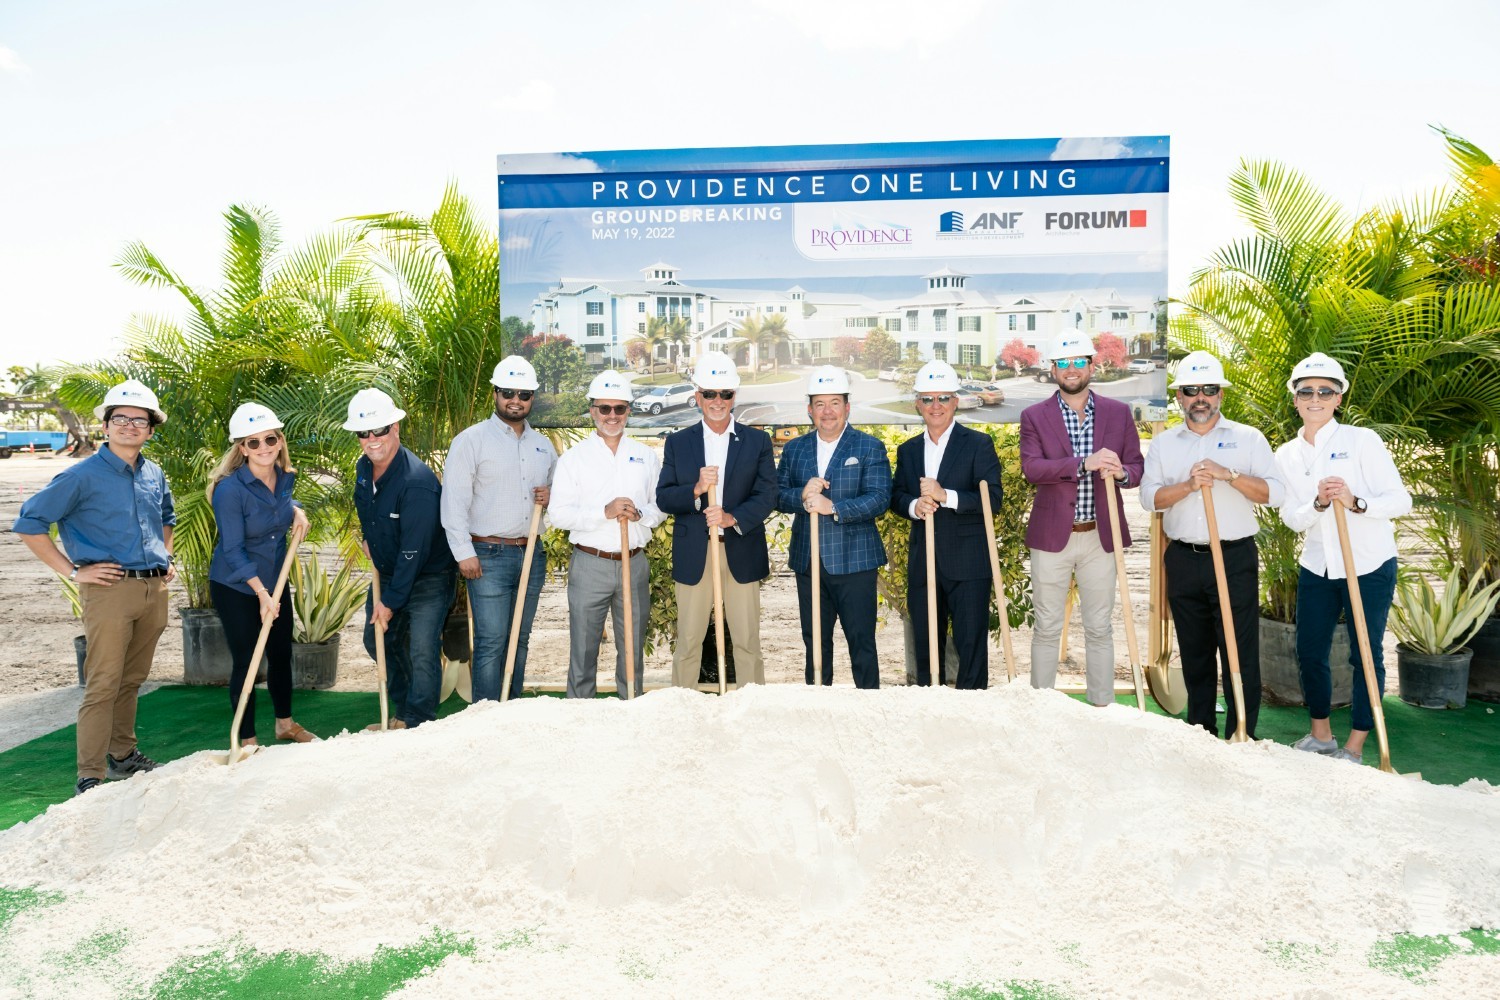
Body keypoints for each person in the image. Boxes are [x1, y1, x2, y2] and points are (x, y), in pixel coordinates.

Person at [13, 379, 175, 795]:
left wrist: (166, 555)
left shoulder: (153, 472)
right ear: (105, 426)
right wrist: (72, 571)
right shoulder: (80, 476)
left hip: (153, 589)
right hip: (109, 591)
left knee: (133, 678)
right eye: (120, 418)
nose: (130, 426)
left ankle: (123, 756)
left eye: (139, 420)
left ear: (151, 430)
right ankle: (90, 774)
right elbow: (29, 523)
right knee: (103, 681)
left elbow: (167, 518)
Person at [1139, 351, 1285, 739]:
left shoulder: (1248, 439)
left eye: (1208, 389)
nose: (1200, 397)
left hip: (1234, 555)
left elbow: (1276, 493)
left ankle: (1243, 733)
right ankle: (1201, 732)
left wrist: (1229, 475)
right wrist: (1188, 487)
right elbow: (1149, 498)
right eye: (1191, 390)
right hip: (1185, 558)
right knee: (1195, 651)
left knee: (1238, 649)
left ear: (1221, 395)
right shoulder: (1165, 444)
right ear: (1180, 398)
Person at [1275, 353, 1411, 765]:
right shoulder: (1285, 454)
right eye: (1306, 391)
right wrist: (1318, 503)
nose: (1315, 398)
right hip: (1318, 565)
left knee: (1364, 653)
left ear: (1338, 399)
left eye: (1325, 391)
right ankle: (1321, 736)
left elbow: (1400, 501)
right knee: (1310, 649)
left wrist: (1355, 502)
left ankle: (1355, 744)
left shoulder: (1362, 440)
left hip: (1369, 564)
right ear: (1295, 399)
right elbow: (1291, 518)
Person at [1019, 331, 1145, 706]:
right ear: (1053, 370)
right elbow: (1032, 469)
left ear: (1092, 365)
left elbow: (1136, 468)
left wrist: (1121, 473)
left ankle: (1101, 707)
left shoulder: (1118, 413)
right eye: (1062, 363)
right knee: (1046, 628)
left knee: (1100, 627)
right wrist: (1082, 464)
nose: (1071, 370)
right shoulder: (1034, 416)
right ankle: (1041, 708)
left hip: (1100, 538)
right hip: (1052, 537)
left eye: (1078, 362)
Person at [655, 351, 776, 688]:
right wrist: (695, 489)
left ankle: (752, 708)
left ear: (734, 397)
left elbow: (768, 494)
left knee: (747, 641)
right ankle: (683, 704)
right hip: (696, 551)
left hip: (741, 546)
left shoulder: (757, 441)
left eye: (725, 393)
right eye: (709, 393)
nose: (717, 401)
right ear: (697, 397)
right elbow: (664, 497)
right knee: (689, 642)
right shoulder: (678, 443)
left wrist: (730, 517)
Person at [441, 356, 556, 702]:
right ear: (495, 393)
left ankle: (512, 709)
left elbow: (558, 495)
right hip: (487, 555)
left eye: (524, 393)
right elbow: (453, 502)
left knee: (519, 638)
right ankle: (486, 716)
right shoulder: (471, 441)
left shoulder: (543, 446)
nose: (516, 400)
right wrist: (464, 553)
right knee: (491, 639)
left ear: (532, 398)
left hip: (531, 553)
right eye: (508, 392)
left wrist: (551, 496)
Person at [549, 370, 664, 698]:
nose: (611, 416)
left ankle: (631, 709)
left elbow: (660, 507)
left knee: (632, 648)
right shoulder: (573, 459)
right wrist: (604, 512)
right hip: (590, 563)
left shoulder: (645, 456)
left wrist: (640, 514)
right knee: (584, 648)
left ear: (629, 411)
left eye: (619, 408)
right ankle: (580, 712)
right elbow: (558, 514)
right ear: (592, 411)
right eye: (604, 408)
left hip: (634, 562)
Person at [346, 388, 456, 728]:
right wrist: (369, 538)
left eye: (379, 430)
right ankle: (403, 709)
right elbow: (367, 509)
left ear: (394, 428)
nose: (372, 439)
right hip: (390, 570)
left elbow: (414, 550)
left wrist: (390, 603)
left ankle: (418, 721)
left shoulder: (417, 482)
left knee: (423, 648)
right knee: (376, 639)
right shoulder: (364, 469)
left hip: (428, 576)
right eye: (364, 432)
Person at [207, 403, 316, 745]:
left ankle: (284, 724)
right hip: (237, 585)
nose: (263, 447)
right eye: (253, 442)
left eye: (269, 438)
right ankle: (248, 739)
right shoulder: (229, 490)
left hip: (275, 581)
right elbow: (232, 549)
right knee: (248, 659)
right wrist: (261, 594)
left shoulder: (285, 479)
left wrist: (296, 510)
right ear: (242, 448)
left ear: (280, 441)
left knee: (281, 652)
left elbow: (277, 506)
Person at [776, 366, 891, 688]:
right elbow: (776, 494)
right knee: (814, 642)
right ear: (810, 409)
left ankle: (868, 706)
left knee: (862, 643)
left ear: (847, 407)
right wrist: (802, 496)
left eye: (835, 403)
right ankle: (816, 705)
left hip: (855, 561)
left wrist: (834, 508)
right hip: (809, 561)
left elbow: (880, 498)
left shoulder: (869, 447)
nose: (827, 412)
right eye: (820, 404)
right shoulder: (795, 448)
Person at [890, 361, 1002, 689]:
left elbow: (992, 499)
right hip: (923, 564)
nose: (935, 406)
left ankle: (973, 713)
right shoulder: (908, 450)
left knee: (971, 648)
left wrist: (945, 496)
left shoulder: (978, 444)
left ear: (955, 401)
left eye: (942, 398)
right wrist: (914, 505)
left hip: (968, 563)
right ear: (917, 404)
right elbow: (897, 497)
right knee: (926, 648)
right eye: (927, 399)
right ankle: (929, 712)